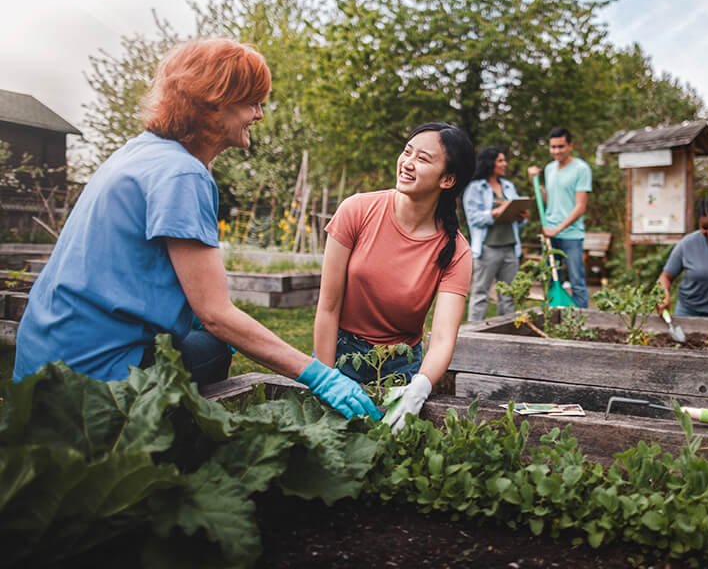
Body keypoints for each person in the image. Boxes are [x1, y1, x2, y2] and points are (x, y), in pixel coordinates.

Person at [14, 38, 380, 421]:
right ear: (215, 102)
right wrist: (319, 375)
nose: (259, 115)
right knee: (216, 346)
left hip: (42, 363)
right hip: (92, 381)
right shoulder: (182, 174)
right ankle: (159, 444)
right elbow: (216, 314)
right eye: (252, 102)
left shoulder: (138, 152)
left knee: (205, 340)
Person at [313, 122, 475, 432]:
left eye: (423, 159)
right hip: (340, 352)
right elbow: (328, 306)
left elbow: (442, 338)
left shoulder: (456, 252)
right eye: (407, 152)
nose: (408, 163)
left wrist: (420, 388)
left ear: (447, 179)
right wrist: (325, 376)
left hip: (400, 368)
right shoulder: (357, 210)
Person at [526, 127, 592, 308]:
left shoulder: (581, 169)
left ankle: (582, 323)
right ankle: (554, 320)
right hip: (550, 234)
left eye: (561, 146)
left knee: (577, 282)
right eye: (553, 147)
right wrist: (535, 183)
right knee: (551, 280)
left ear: (570, 145)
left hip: (571, 234)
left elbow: (580, 207)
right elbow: (549, 199)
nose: (556, 151)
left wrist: (558, 229)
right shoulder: (549, 168)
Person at [463, 146, 527, 321]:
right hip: (487, 250)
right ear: (490, 163)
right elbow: (474, 218)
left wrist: (521, 216)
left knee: (509, 296)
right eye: (500, 160)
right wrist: (496, 212)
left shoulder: (508, 186)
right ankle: (474, 335)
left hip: (511, 249)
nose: (504, 164)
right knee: (480, 294)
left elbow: (517, 218)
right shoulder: (475, 188)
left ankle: (506, 335)